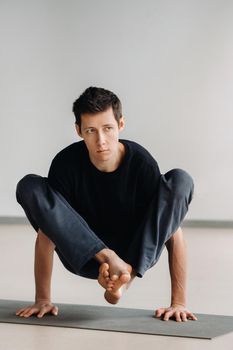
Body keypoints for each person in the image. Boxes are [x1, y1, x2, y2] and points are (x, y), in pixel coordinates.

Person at [16, 86, 197, 322]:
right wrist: (43, 298)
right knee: (29, 186)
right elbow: (49, 229)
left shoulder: (141, 164)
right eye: (91, 130)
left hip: (134, 254)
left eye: (108, 129)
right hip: (86, 257)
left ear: (121, 125)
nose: (101, 141)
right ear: (78, 130)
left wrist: (179, 302)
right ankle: (110, 259)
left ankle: (124, 278)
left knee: (180, 180)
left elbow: (171, 228)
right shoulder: (65, 164)